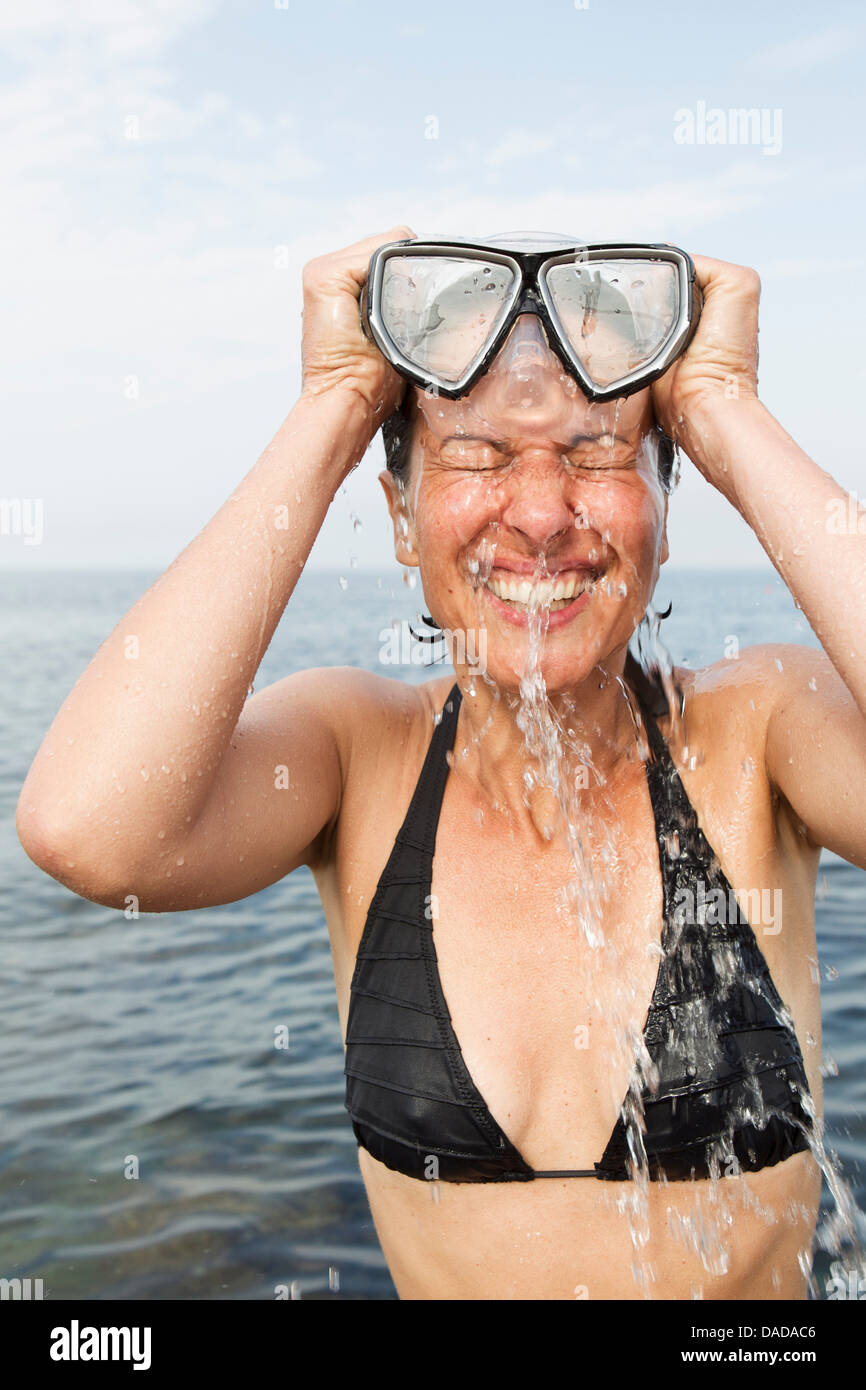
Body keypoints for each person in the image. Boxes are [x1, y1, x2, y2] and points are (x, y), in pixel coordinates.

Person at [16, 225, 866, 1301]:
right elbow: (90, 830)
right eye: (477, 454)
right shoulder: (355, 751)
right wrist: (333, 404)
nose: (544, 513)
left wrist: (725, 412)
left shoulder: (754, 731)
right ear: (401, 519)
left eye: (600, 451)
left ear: (665, 498)